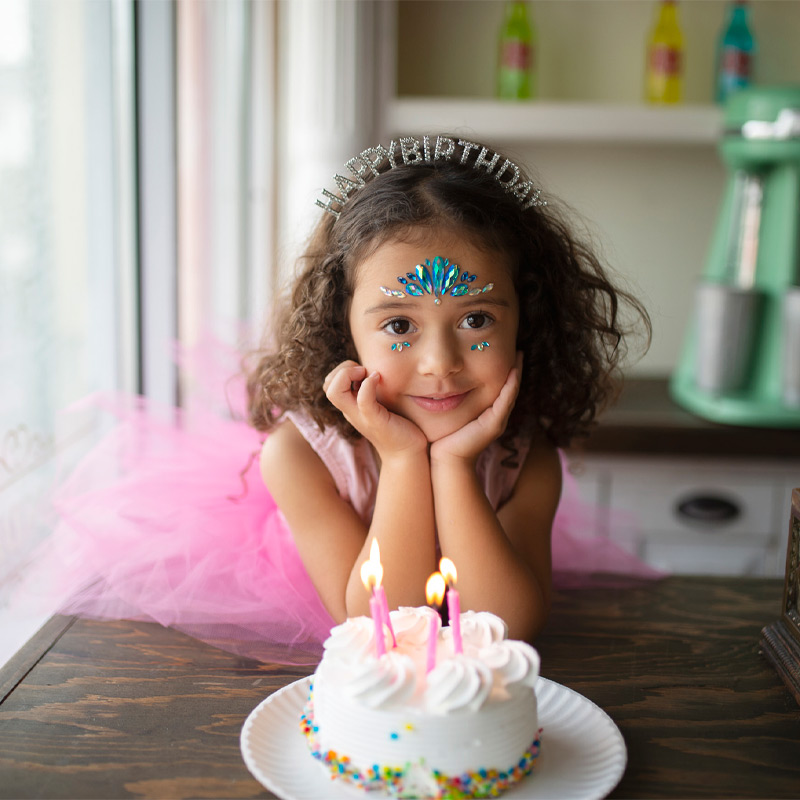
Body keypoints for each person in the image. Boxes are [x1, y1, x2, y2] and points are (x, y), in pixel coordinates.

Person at [22, 135, 656, 665]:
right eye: (399, 326)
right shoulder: (298, 457)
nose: (439, 364)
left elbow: (505, 629)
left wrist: (457, 466)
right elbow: (383, 624)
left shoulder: (525, 456)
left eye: (478, 320)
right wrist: (406, 461)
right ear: (341, 326)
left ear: (529, 318)